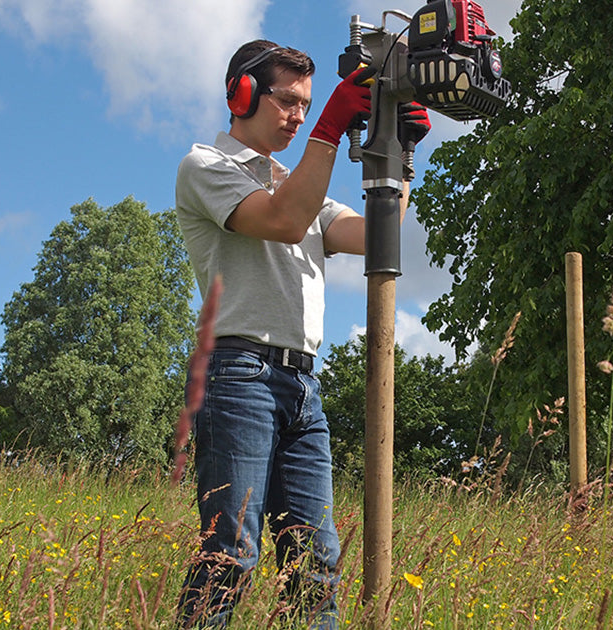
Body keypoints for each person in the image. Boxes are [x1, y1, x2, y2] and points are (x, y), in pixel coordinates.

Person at [174, 40, 430, 629]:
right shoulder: (206, 168)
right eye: (287, 101)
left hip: (302, 386)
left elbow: (376, 236)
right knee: (231, 555)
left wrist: (399, 152)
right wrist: (333, 125)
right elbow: (285, 221)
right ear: (242, 94)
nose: (297, 115)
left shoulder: (299, 182)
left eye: (308, 104)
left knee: (315, 565)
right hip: (240, 375)